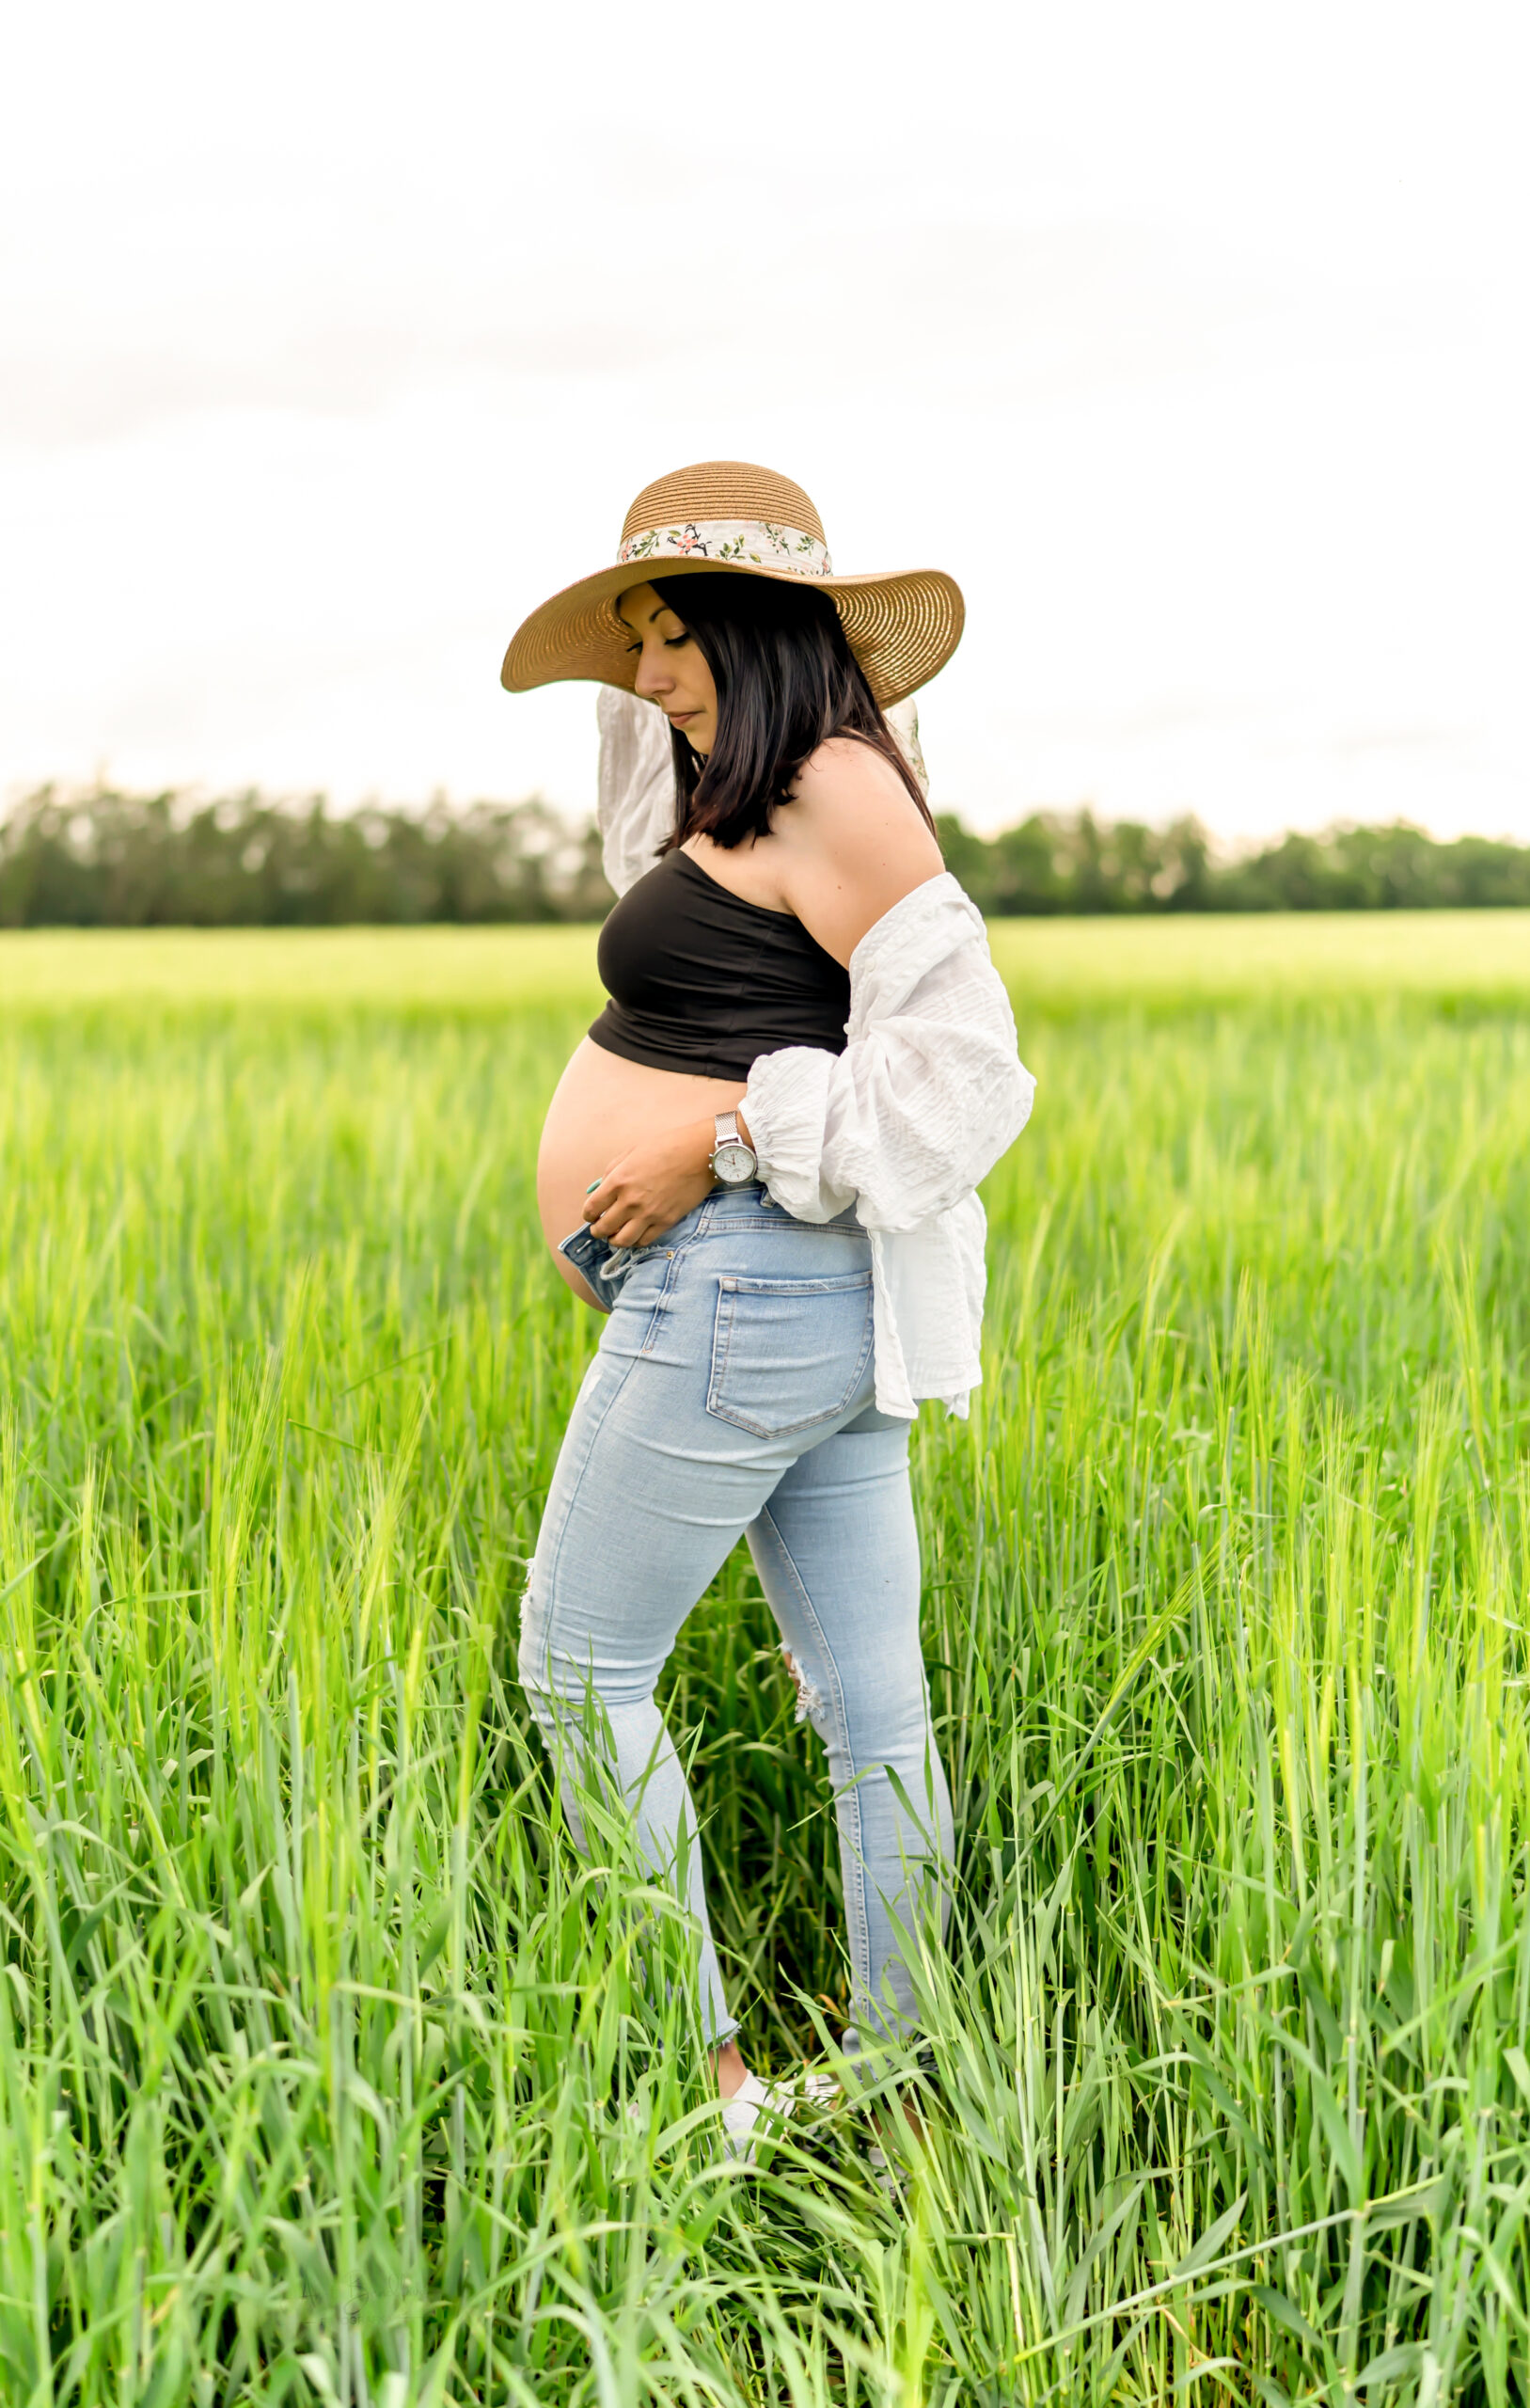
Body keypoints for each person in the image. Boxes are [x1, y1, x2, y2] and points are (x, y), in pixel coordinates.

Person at [500, 460, 1035, 2158]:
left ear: (755, 630)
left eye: (672, 635)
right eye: (635, 640)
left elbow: (966, 1078)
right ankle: (908, 2084)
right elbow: (653, 845)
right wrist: (651, 690)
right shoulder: (746, 793)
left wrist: (719, 1139)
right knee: (873, 1708)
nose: (646, 671)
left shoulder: (833, 786)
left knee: (577, 1671)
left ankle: (705, 2085)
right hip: (796, 1303)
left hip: (750, 1287)